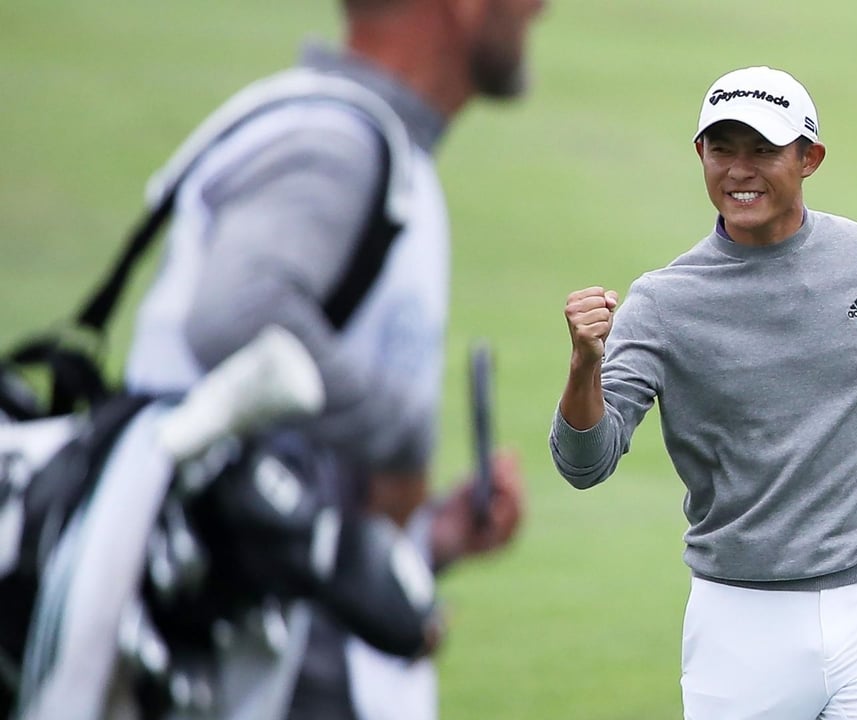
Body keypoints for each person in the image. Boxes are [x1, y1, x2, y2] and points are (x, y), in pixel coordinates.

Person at [550, 65, 857, 719]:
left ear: (810, 158)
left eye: (763, 150)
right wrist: (584, 367)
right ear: (700, 156)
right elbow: (585, 463)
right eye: (723, 149)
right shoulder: (662, 303)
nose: (740, 170)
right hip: (739, 623)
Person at [123, 0, 546, 717]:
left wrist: (419, 543)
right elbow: (239, 316)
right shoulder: (340, 143)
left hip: (275, 618)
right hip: (257, 650)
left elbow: (281, 452)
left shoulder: (367, 139)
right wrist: (403, 441)